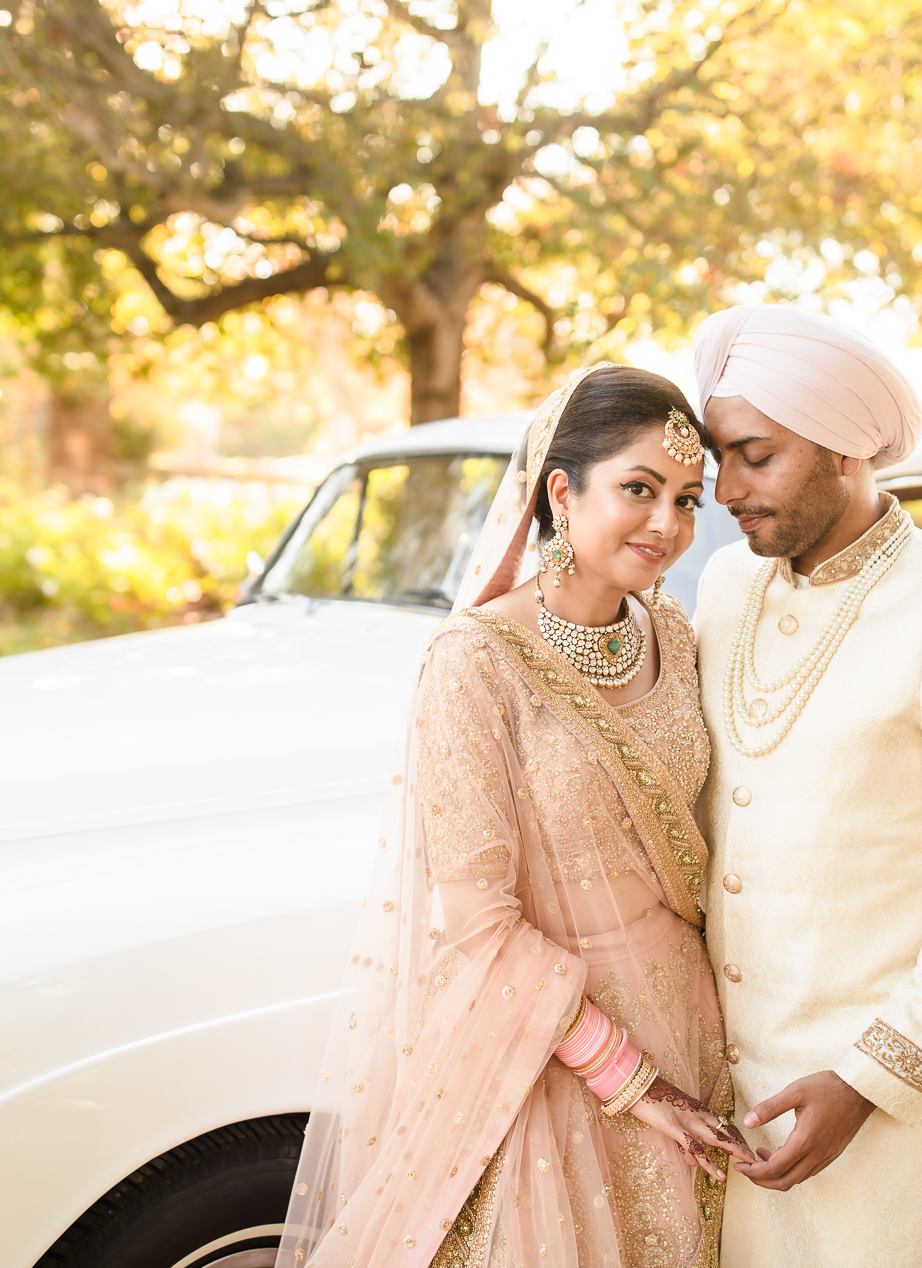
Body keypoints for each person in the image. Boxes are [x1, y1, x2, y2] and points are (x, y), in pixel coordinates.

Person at [278, 365, 754, 1268]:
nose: (669, 525)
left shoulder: (674, 632)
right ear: (562, 493)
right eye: (640, 489)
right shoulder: (474, 661)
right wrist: (631, 1079)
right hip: (554, 1057)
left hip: (695, 1031)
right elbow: (479, 921)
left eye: (689, 499)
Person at [688, 303, 922, 1266]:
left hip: (869, 1115)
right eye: (718, 456)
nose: (725, 487)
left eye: (754, 456)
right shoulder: (726, 583)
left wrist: (865, 1082)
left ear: (845, 448)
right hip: (716, 1111)